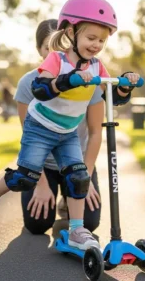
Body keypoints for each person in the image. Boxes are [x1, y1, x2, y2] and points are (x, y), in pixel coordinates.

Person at [0, 0, 140, 251]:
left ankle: (76, 230)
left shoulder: (97, 67)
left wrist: (125, 86)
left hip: (68, 133)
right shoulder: (57, 59)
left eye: (102, 41)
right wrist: (66, 81)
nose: (96, 45)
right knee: (26, 177)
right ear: (71, 32)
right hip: (40, 129)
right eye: (91, 38)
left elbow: (110, 96)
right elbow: (40, 88)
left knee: (79, 178)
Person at [14, 19, 103, 234]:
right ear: (39, 51)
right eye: (49, 48)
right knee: (37, 225)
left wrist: (87, 176)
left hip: (77, 161)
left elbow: (96, 132)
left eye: (62, 47)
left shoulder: (88, 78)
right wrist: (41, 184)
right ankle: (53, 193)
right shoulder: (29, 83)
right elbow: (29, 136)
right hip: (42, 163)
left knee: (89, 223)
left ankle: (67, 199)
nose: (57, 54)